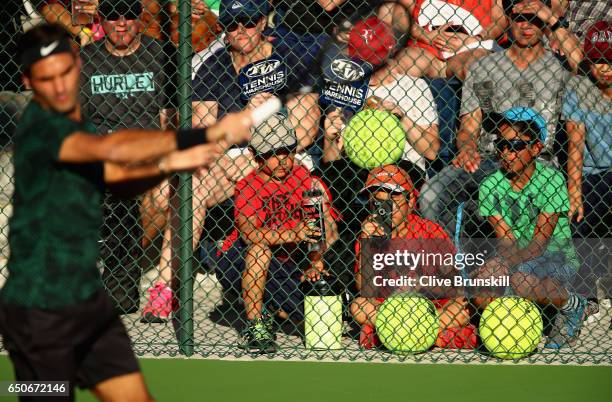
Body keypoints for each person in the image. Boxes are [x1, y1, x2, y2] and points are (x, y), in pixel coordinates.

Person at [0, 23, 253, 401]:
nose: (60, 85)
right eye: (46, 78)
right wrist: (196, 140)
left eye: (67, 72)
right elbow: (116, 149)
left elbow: (116, 176)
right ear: (28, 81)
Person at [419, 4, 577, 238]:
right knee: (431, 194)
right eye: (519, 18)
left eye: (534, 18)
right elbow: (468, 128)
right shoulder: (484, 67)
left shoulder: (559, 67)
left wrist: (553, 19)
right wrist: (467, 148)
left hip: (537, 162)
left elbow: (585, 65)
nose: (526, 25)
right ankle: (456, 264)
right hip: (487, 159)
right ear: (509, 21)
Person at [78, 0, 179, 315]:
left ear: (139, 18)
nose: (121, 23)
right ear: (101, 20)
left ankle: (119, 270)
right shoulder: (85, 60)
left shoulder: (163, 55)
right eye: (112, 16)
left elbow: (170, 118)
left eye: (128, 15)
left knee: (159, 192)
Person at [212, 114, 339, 353]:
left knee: (306, 315)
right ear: (254, 154)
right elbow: (250, 235)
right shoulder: (248, 186)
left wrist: (315, 263)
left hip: (285, 263)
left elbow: (315, 227)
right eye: (272, 153)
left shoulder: (301, 176)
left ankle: (270, 305)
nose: (282, 159)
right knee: (260, 251)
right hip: (238, 256)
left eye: (288, 151)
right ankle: (256, 324)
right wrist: (293, 234)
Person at [476, 107, 588, 349]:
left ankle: (573, 305)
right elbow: (505, 239)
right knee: (481, 290)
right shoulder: (489, 186)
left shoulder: (552, 180)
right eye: (502, 145)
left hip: (555, 256)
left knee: (522, 279)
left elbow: (540, 242)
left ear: (536, 148)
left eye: (516, 145)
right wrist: (498, 264)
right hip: (515, 254)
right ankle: (520, 318)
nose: (507, 153)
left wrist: (505, 264)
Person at [350, 164, 475, 350]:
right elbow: (364, 290)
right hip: (390, 310)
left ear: (410, 202)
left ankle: (396, 335)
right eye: (378, 201)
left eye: (393, 200)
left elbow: (456, 285)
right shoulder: (368, 234)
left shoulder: (430, 231)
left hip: (431, 308)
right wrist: (367, 245)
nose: (386, 208)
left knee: (463, 308)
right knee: (358, 306)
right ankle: (430, 336)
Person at [562, 21, 611, 301]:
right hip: (592, 174)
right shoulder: (578, 89)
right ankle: (584, 294)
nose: (604, 67)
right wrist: (574, 191)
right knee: (579, 217)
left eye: (611, 60)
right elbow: (575, 143)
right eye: (598, 60)